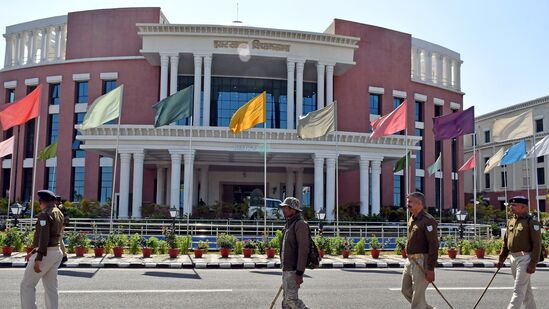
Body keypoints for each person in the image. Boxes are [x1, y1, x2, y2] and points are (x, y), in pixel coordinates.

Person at [20, 189, 64, 309]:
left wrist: (38, 257)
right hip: (56, 251)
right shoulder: (58, 212)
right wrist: (33, 252)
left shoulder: (45, 214)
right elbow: (54, 236)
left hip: (46, 253)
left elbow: (44, 237)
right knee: (51, 288)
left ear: (41, 202)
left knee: (27, 285)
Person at [497, 196, 542, 309]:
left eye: (514, 205)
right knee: (526, 291)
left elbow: (537, 244)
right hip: (513, 258)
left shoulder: (531, 222)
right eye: (511, 205)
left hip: (525, 259)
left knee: (518, 291)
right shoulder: (511, 221)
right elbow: (506, 241)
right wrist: (501, 258)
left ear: (523, 207)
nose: (511, 207)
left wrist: (533, 263)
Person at [401, 192, 439, 309]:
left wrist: (430, 268)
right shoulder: (412, 218)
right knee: (405, 290)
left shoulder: (428, 220)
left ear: (419, 203)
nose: (408, 204)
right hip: (410, 260)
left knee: (417, 299)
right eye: (407, 202)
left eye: (410, 202)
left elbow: (433, 245)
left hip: (421, 261)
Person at [279, 197, 310, 309]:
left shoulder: (300, 225)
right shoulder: (289, 225)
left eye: (285, 208)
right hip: (286, 270)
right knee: (286, 302)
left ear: (293, 209)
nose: (283, 210)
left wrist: (299, 273)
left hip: (293, 270)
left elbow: (303, 250)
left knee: (291, 300)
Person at [55, 195, 68, 263]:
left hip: (60, 225)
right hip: (63, 225)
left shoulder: (59, 207)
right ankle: (63, 255)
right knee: (60, 239)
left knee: (59, 240)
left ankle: (63, 256)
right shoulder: (62, 206)